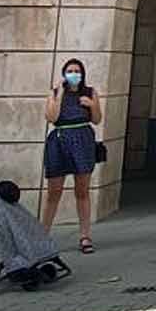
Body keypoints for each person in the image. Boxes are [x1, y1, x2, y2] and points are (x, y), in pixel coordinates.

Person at [42, 58, 103, 253]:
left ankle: (85, 236)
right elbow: (51, 117)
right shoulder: (54, 93)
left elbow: (97, 119)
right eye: (70, 70)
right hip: (59, 140)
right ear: (64, 73)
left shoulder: (90, 92)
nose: (74, 74)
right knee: (54, 190)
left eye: (77, 71)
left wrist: (92, 105)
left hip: (82, 139)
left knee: (82, 190)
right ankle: (43, 235)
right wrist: (58, 95)